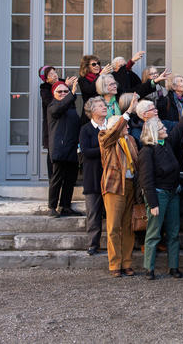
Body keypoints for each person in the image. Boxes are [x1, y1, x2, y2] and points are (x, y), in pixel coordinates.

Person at [138, 97, 183, 280]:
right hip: (158, 196)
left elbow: (180, 128)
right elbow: (146, 180)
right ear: (153, 132)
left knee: (174, 233)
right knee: (153, 233)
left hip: (173, 193)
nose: (165, 129)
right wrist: (152, 203)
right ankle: (148, 269)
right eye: (161, 128)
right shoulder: (147, 152)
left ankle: (173, 267)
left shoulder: (166, 143)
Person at [98, 96, 140, 277]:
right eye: (125, 125)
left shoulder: (130, 140)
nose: (128, 127)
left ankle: (127, 263)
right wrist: (128, 111)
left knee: (128, 226)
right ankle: (115, 264)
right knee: (114, 226)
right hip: (114, 186)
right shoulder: (106, 139)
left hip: (130, 185)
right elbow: (114, 132)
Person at [46, 77, 82, 217]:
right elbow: (59, 109)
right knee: (57, 179)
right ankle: (52, 207)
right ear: (54, 93)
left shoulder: (71, 108)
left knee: (70, 180)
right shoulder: (53, 106)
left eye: (65, 91)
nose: (63, 93)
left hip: (72, 148)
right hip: (59, 149)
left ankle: (65, 206)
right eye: (59, 91)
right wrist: (72, 94)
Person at [79, 96, 107, 255]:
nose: (104, 107)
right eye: (100, 105)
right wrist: (104, 149)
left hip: (111, 176)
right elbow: (86, 152)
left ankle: (113, 242)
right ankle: (93, 244)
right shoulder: (86, 129)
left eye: (104, 105)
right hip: (93, 177)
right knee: (93, 213)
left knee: (112, 213)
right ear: (92, 111)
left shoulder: (111, 126)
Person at [38, 65, 60, 180]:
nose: (55, 75)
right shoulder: (45, 89)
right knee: (51, 152)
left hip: (64, 124)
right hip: (51, 125)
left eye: (55, 72)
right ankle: (52, 180)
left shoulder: (62, 84)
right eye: (51, 74)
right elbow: (51, 104)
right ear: (46, 79)